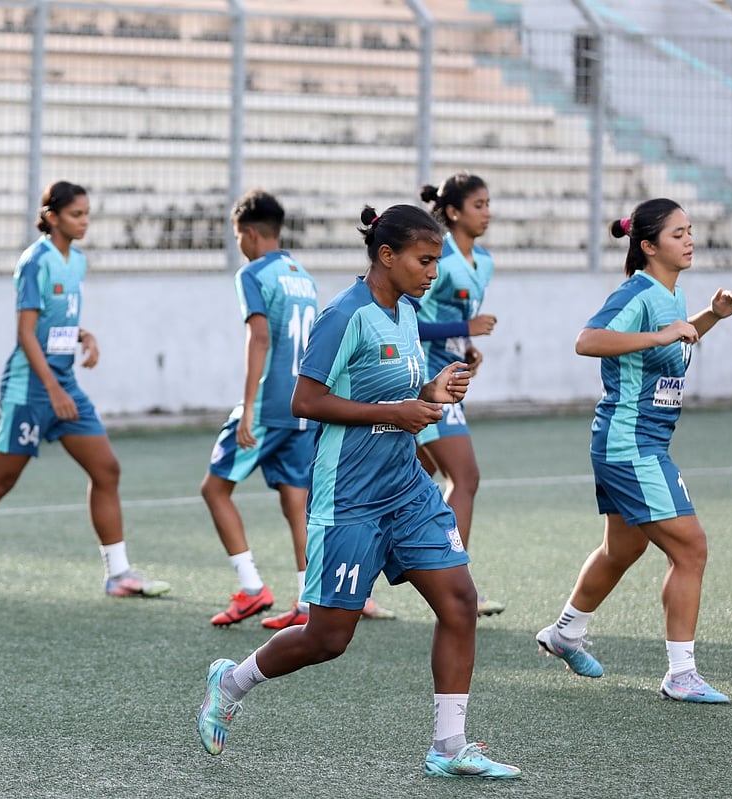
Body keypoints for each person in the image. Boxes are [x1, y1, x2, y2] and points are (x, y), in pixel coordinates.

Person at [197, 204, 520, 780]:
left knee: (459, 603)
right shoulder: (344, 315)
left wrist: (431, 389)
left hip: (407, 489)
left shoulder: (407, 311)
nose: (433, 272)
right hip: (349, 497)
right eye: (424, 260)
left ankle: (449, 746)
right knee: (328, 638)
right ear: (386, 255)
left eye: (437, 261)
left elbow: (395, 392)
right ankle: (231, 682)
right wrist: (396, 413)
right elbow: (306, 401)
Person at [535, 198, 732, 703]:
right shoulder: (636, 292)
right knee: (690, 549)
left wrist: (710, 316)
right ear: (648, 246)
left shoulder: (671, 294)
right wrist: (661, 333)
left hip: (633, 442)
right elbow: (588, 340)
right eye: (678, 233)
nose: (690, 240)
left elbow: (673, 340)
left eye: (690, 230)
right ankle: (681, 674)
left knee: (623, 549)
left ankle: (565, 633)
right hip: (631, 444)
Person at [0, 180, 168, 600]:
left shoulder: (76, 261)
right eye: (77, 214)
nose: (85, 222)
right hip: (31, 389)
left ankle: (118, 574)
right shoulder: (34, 261)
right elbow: (26, 333)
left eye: (87, 214)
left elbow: (53, 324)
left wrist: (83, 335)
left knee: (107, 470)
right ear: (52, 217)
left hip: (63, 384)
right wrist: (52, 389)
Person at [200, 188, 392, 629]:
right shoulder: (301, 276)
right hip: (304, 404)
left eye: (237, 236)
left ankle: (251, 588)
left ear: (249, 233)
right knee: (295, 499)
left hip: (270, 405)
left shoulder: (253, 273)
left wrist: (249, 408)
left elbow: (260, 338)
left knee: (214, 489)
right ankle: (309, 601)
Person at [413, 173, 503, 617]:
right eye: (478, 205)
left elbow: (450, 322)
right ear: (452, 211)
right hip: (426, 381)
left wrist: (465, 347)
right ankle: (457, 587)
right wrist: (463, 328)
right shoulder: (438, 257)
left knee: (404, 484)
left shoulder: (482, 261)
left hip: (451, 379)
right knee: (465, 479)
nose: (487, 213)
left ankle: (358, 580)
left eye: (488, 204)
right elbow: (409, 321)